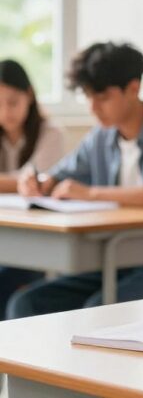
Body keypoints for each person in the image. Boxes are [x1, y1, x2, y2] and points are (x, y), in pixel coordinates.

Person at [10, 42, 143, 318]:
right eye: (88, 96)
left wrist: (91, 194)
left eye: (102, 97)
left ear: (133, 88)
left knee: (98, 311)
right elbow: (59, 175)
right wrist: (38, 182)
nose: (93, 108)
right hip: (113, 262)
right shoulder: (101, 137)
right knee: (27, 303)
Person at [0, 59, 65, 318]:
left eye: (13, 102)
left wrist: (18, 182)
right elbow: (20, 181)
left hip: (38, 245)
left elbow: (34, 182)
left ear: (29, 96)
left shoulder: (52, 133)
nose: (6, 111)